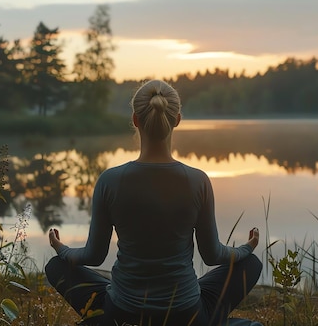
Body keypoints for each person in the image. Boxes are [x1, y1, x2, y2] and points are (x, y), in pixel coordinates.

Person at [45, 79, 263, 326]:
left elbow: (93, 256)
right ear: (177, 119)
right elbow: (213, 255)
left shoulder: (109, 180)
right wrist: (247, 248)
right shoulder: (197, 180)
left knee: (56, 267)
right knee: (251, 264)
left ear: (135, 119)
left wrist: (61, 249)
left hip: (122, 311)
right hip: (186, 313)